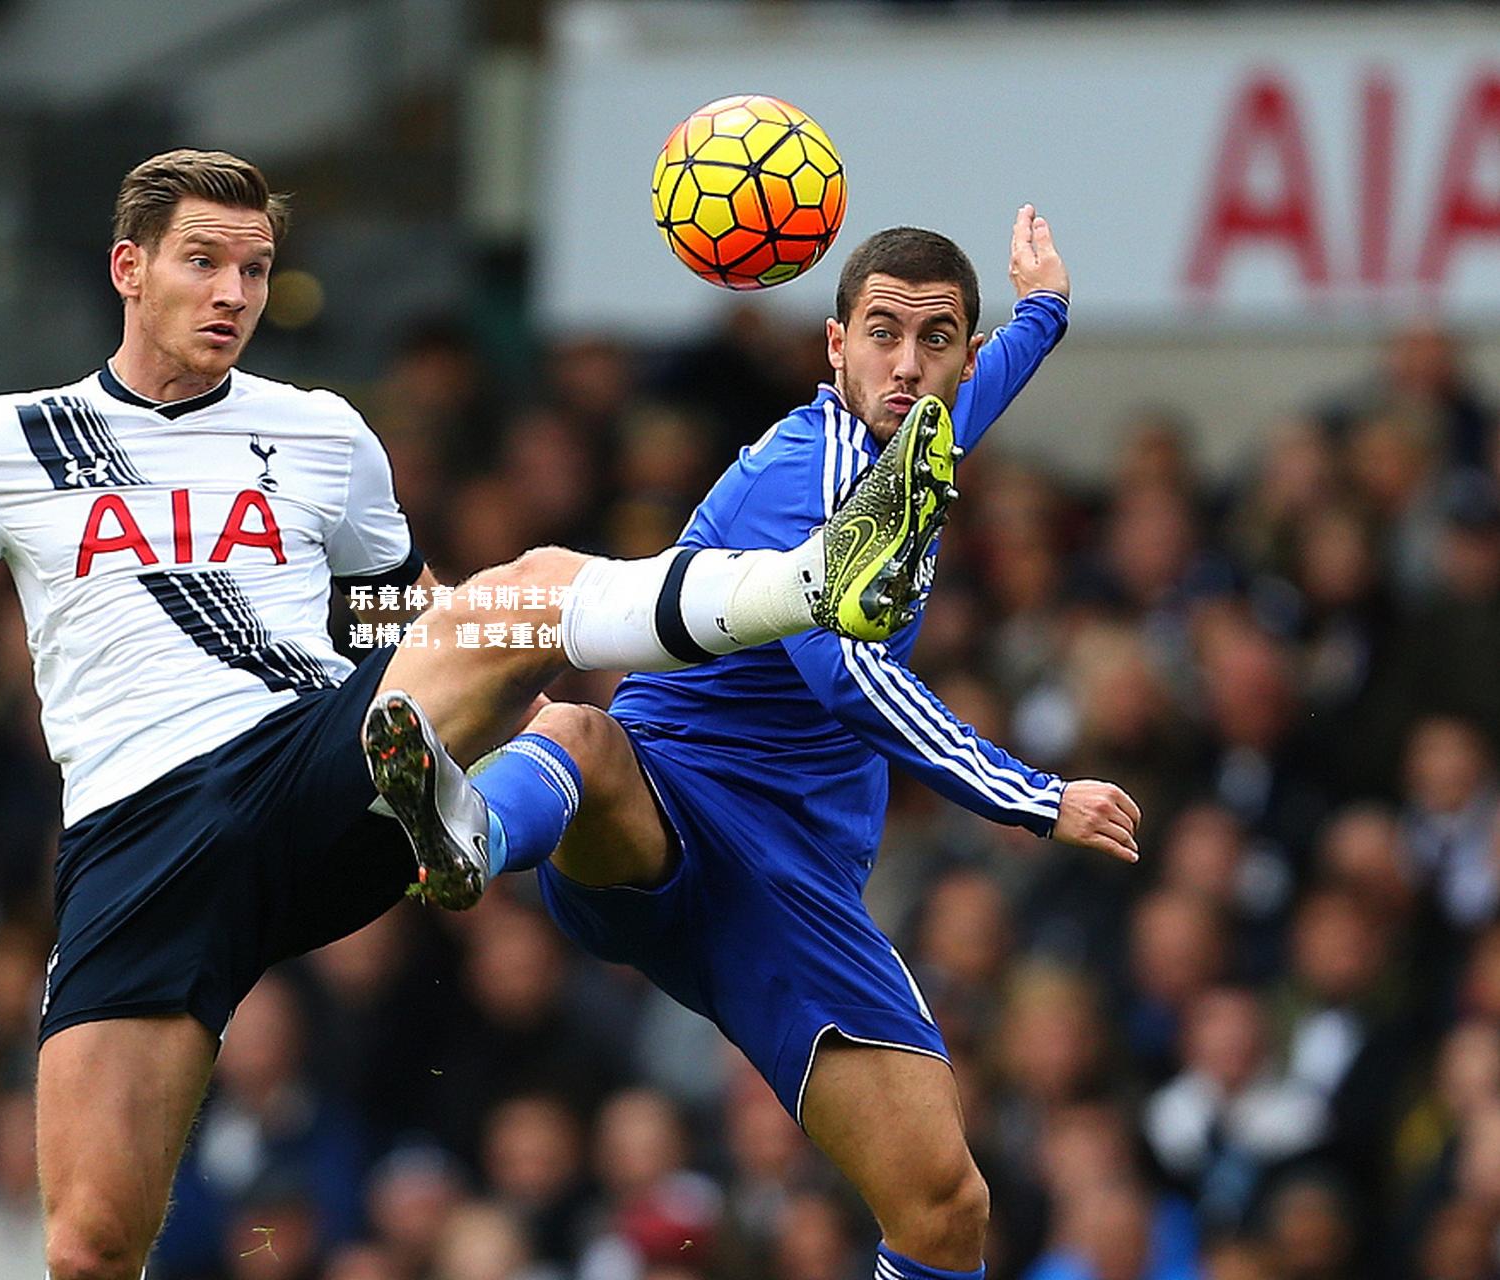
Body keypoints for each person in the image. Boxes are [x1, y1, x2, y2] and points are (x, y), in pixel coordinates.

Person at [0, 149, 956, 1280]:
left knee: (515, 591)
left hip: (310, 769)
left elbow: (399, 619)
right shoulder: (16, 443)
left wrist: (485, 652)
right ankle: (500, 756)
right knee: (88, 1246)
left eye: (255, 270)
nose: (233, 294)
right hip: (137, 842)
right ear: (126, 266)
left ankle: (801, 584)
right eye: (204, 263)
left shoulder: (322, 432)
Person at [365, 209, 1144, 1280]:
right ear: (834, 347)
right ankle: (469, 829)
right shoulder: (805, 470)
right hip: (671, 801)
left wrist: (1045, 307)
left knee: (945, 1207)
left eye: (935, 340)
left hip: (791, 885)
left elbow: (987, 376)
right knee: (581, 730)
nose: (907, 364)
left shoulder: (925, 424)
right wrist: (1031, 795)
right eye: (881, 333)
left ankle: (483, 820)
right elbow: (845, 674)